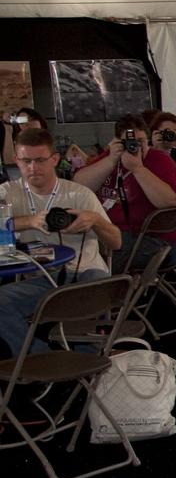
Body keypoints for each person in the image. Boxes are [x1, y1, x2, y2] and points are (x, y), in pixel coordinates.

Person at [0, 128, 120, 358]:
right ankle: (40, 359)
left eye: (40, 160)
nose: (33, 167)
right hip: (41, 279)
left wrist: (94, 220)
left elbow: (115, 242)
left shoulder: (78, 195)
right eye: (26, 160)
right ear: (16, 160)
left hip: (83, 274)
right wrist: (29, 221)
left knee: (96, 283)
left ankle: (89, 358)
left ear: (54, 159)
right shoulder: (8, 193)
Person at [73, 115, 176, 272]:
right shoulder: (111, 157)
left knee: (90, 262)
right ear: (117, 142)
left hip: (152, 240)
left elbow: (171, 201)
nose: (136, 147)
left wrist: (138, 169)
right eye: (130, 142)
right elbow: (78, 186)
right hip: (109, 233)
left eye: (141, 142)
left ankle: (104, 290)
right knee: (76, 252)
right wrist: (111, 159)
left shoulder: (159, 160)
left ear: (148, 140)